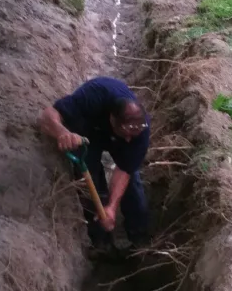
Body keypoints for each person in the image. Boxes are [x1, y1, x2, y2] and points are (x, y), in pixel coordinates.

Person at [39, 77, 150, 245]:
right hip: (87, 131)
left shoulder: (139, 131)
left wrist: (112, 207)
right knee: (90, 185)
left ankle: (139, 241)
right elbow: (46, 116)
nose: (129, 140)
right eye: (125, 134)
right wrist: (62, 132)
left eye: (132, 136)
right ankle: (101, 243)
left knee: (132, 187)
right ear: (112, 120)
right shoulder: (92, 97)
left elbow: (124, 169)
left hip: (111, 135)